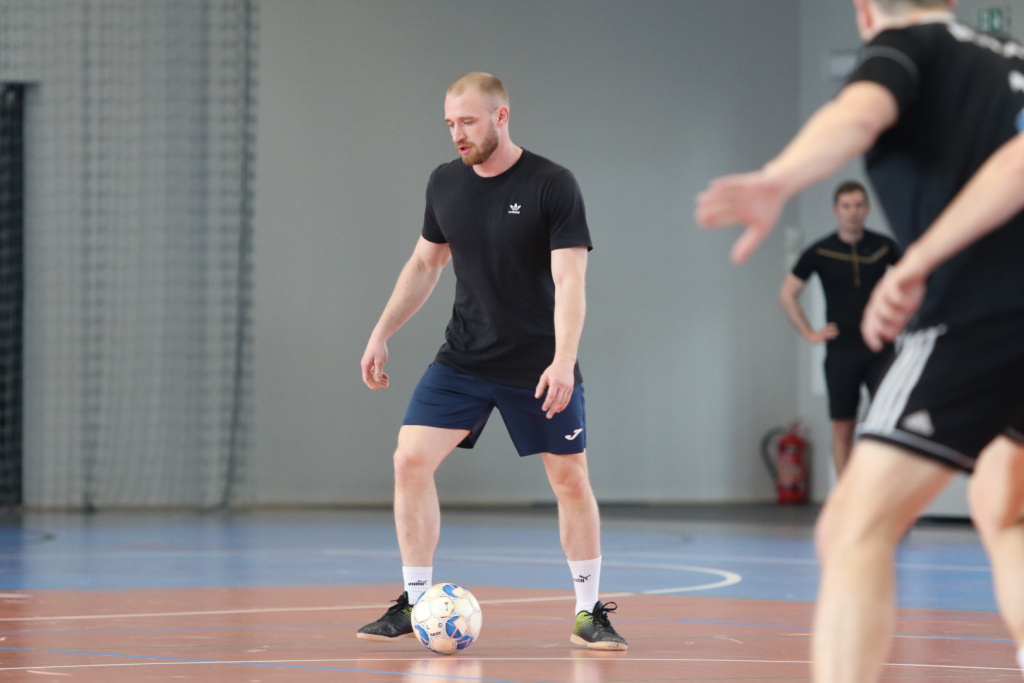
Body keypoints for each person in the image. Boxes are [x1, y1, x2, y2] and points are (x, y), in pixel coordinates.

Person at [695, 1, 1024, 680]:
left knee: (852, 529)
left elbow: (859, 113)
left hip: (984, 314)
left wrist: (779, 178)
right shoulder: (1011, 61)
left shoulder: (905, 46)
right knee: (1004, 506)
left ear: (865, 10)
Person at [356, 72, 626, 651]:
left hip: (538, 364)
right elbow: (425, 264)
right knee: (409, 460)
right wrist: (381, 331)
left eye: (468, 122)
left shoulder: (552, 184)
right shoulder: (444, 183)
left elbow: (570, 279)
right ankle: (415, 600)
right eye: (450, 123)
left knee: (570, 479)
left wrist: (563, 359)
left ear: (501, 117)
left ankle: (588, 613)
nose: (457, 133)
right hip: (465, 358)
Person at [780, 180, 899, 475]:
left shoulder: (884, 246)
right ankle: (846, 496)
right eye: (846, 206)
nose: (853, 212)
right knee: (843, 428)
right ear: (836, 210)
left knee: (887, 424)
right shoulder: (821, 251)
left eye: (858, 205)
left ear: (867, 209)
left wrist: (901, 318)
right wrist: (809, 332)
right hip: (841, 351)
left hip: (880, 348)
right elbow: (787, 294)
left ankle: (877, 492)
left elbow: (918, 280)